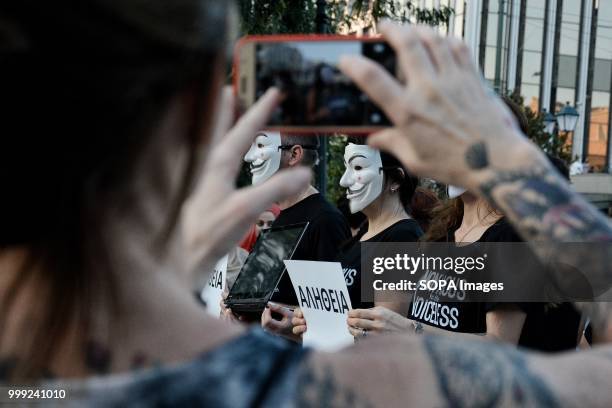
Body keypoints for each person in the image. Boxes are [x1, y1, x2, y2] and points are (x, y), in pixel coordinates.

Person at [2, 3, 612, 405]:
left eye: (359, 164)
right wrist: (507, 156)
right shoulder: (331, 381)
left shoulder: (405, 240)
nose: (349, 181)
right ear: (199, 109)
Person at [292, 139, 424, 339]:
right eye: (347, 168)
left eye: (358, 167)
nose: (344, 180)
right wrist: (305, 321)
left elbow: (385, 335)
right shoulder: (362, 235)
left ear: (396, 180)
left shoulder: (402, 237)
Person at [242, 131, 351, 335]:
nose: (249, 156)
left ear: (294, 155)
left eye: (261, 146)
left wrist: (292, 327)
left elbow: (334, 316)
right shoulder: (279, 219)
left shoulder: (325, 220)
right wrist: (233, 305)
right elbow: (256, 299)